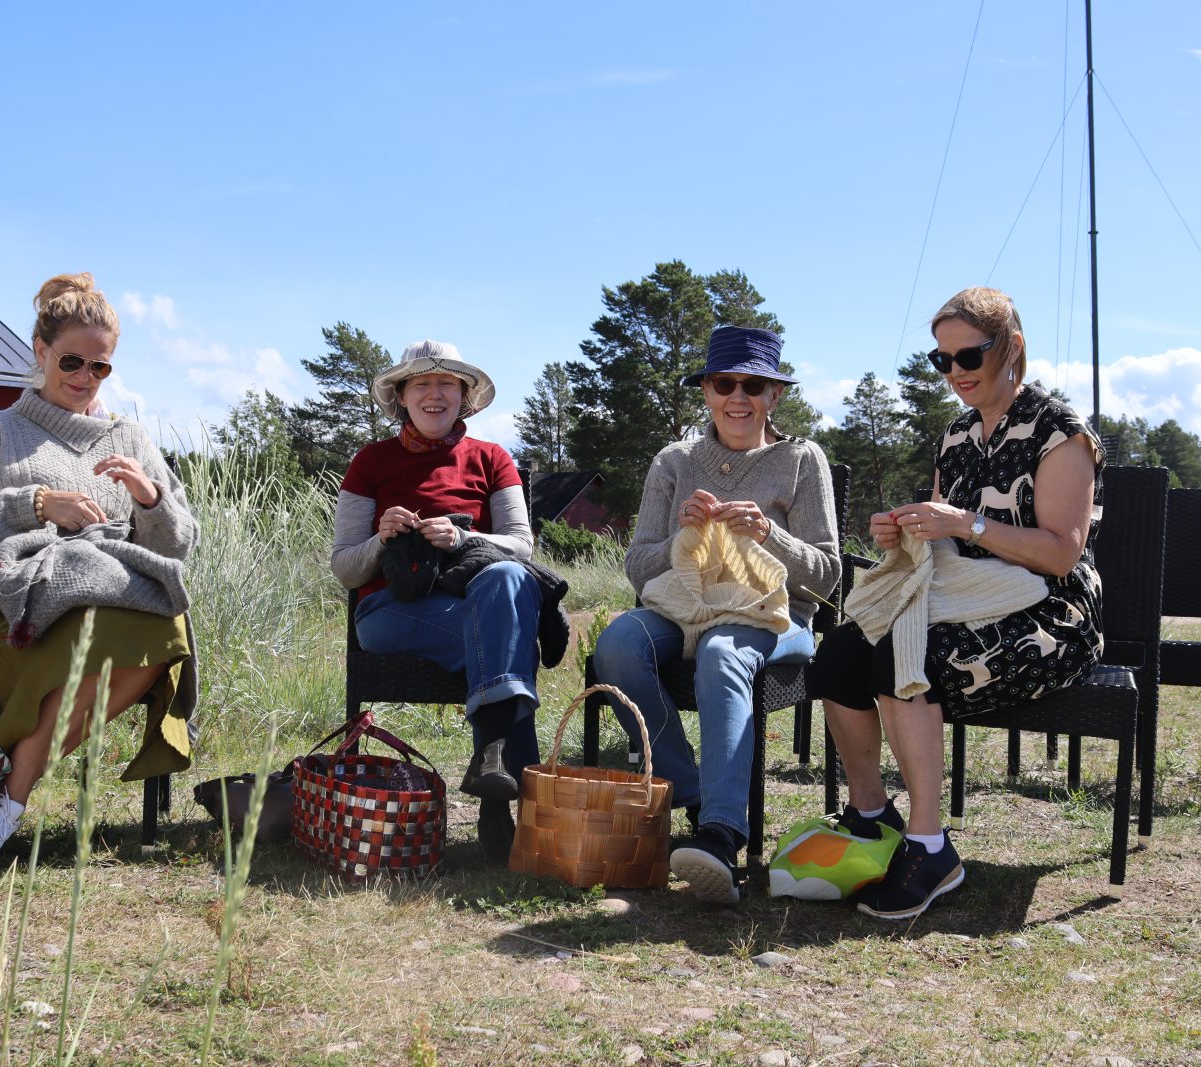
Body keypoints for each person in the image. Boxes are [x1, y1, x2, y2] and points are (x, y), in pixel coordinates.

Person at [809, 285, 1104, 920]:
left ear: (1012, 348)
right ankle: (871, 817)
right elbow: (946, 535)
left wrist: (964, 523)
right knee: (838, 652)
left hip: (1049, 615)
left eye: (968, 357)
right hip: (962, 597)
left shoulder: (1061, 434)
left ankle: (929, 847)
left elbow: (1061, 555)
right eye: (942, 361)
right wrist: (906, 530)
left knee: (902, 652)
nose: (954, 374)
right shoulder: (956, 434)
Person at [0, 273, 199, 877]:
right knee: (124, 632)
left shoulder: (130, 437)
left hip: (98, 605)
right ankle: (5, 800)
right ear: (40, 351)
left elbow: (179, 546)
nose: (84, 377)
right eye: (72, 361)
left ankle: (7, 803)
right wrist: (35, 505)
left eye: (100, 368)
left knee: (166, 631)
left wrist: (150, 499)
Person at [592, 324, 840, 905]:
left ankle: (722, 835)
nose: (738, 396)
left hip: (774, 618)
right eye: (724, 382)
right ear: (705, 390)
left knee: (723, 650)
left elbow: (827, 576)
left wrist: (769, 534)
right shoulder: (674, 462)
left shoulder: (803, 460)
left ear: (774, 396)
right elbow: (639, 566)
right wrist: (682, 529)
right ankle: (692, 790)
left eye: (753, 385)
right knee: (618, 645)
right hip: (681, 607)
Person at [331, 340, 542, 865]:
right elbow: (345, 568)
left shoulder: (493, 458)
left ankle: (496, 780)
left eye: (447, 383)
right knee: (507, 642)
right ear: (401, 396)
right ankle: (514, 790)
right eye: (421, 383)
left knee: (508, 579)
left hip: (475, 603)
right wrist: (381, 539)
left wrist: (465, 540)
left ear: (464, 396)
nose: (434, 393)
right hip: (388, 616)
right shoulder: (370, 462)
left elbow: (522, 543)